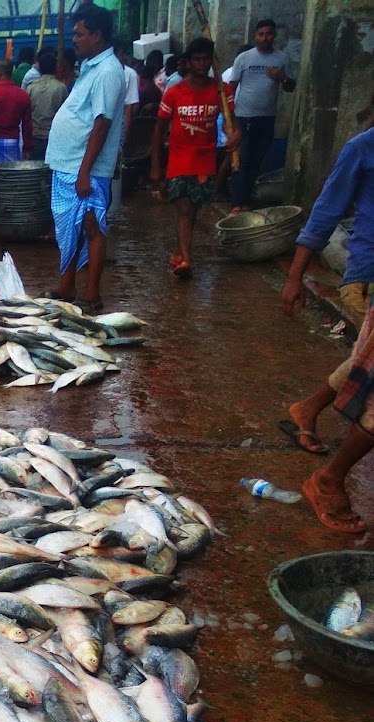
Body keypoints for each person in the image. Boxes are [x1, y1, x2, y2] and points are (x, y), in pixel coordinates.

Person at [280, 115, 374, 533]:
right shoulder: (363, 148)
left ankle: (308, 407)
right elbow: (325, 212)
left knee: (366, 360)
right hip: (369, 279)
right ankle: (328, 480)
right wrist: (296, 276)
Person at [45, 5, 126, 311]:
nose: (74, 39)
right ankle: (66, 285)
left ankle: (91, 293)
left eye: (79, 33)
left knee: (92, 225)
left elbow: (102, 123)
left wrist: (84, 171)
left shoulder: (108, 71)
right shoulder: (92, 66)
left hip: (84, 167)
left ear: (97, 35)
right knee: (69, 228)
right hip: (69, 163)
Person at [149, 37, 237, 279]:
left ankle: (180, 251)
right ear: (188, 62)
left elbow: (233, 123)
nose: (201, 64)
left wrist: (235, 135)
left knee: (193, 209)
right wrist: (156, 164)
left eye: (206, 59)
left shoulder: (221, 91)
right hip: (178, 160)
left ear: (211, 61)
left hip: (205, 160)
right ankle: (187, 260)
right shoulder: (174, 92)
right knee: (185, 208)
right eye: (196, 59)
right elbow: (159, 128)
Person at [227, 19, 296, 214]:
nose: (265, 38)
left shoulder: (282, 58)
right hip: (244, 116)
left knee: (257, 161)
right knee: (242, 160)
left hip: (267, 117)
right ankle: (236, 203)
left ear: (274, 35)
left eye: (269, 34)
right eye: (261, 34)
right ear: (255, 36)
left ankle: (246, 201)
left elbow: (291, 87)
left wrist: (281, 77)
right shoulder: (244, 58)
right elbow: (230, 88)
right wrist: (229, 118)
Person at [26, 49, 67, 161]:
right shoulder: (61, 88)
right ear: (55, 68)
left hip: (34, 137)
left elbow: (26, 113)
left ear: (39, 68)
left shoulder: (31, 87)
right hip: (54, 137)